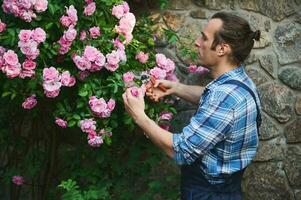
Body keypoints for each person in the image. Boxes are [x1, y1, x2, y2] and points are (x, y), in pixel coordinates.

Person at [122, 11, 262, 200]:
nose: (197, 42)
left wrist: (139, 115)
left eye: (204, 38)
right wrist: (176, 88)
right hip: (227, 188)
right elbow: (212, 99)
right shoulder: (240, 82)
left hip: (209, 194)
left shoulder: (224, 98)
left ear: (222, 49)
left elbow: (179, 150)